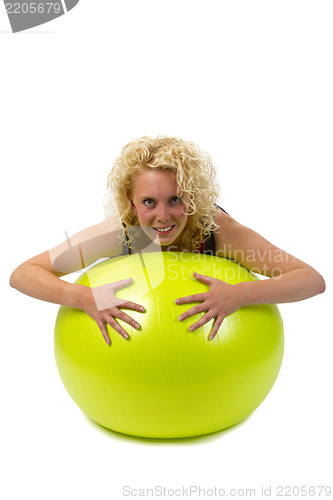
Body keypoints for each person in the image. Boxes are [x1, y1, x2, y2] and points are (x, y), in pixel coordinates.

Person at [10, 136, 325, 344]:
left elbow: (310, 279)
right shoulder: (120, 233)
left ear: (194, 197)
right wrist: (81, 297)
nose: (163, 216)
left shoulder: (219, 231)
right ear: (131, 204)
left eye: (176, 199)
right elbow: (24, 273)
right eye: (149, 202)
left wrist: (240, 294)